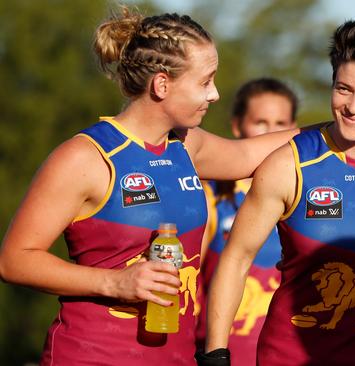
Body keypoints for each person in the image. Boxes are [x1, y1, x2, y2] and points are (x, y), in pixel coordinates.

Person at [0, 7, 304, 365]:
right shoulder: (86, 157)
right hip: (92, 356)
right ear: (162, 84)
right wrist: (115, 283)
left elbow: (249, 154)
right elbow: (14, 261)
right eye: (205, 82)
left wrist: (344, 128)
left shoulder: (186, 145)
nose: (215, 94)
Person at [201, 19, 355, 366]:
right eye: (344, 88)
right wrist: (215, 352)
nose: (353, 106)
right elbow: (236, 257)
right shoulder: (288, 164)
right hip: (289, 355)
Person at [196, 78, 298, 363]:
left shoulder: (308, 198)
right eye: (261, 122)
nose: (271, 133)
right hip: (224, 354)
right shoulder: (212, 196)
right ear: (237, 126)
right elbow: (186, 287)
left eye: (281, 124)